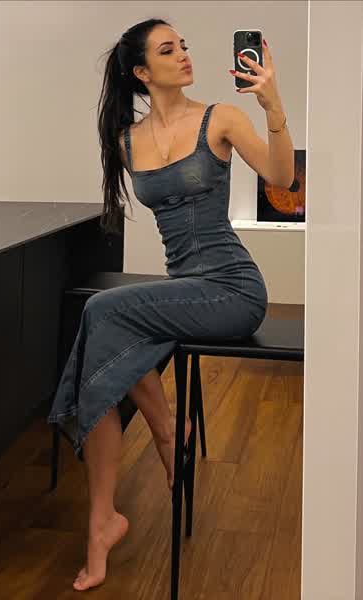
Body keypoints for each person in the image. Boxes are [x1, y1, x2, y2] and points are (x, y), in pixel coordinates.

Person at [47, 17, 293, 592]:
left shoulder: (220, 118)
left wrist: (272, 104)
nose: (184, 54)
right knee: (110, 335)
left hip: (233, 290)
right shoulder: (126, 142)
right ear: (141, 71)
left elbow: (283, 177)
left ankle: (161, 436)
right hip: (182, 291)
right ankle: (104, 519)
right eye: (168, 49)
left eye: (183, 45)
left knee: (102, 312)